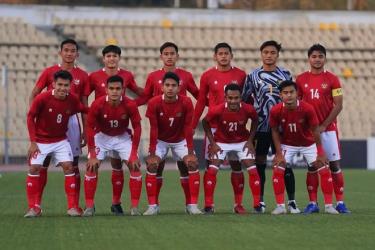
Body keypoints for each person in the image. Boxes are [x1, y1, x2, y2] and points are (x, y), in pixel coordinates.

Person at [135, 42, 200, 209]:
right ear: (161, 56)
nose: (169, 56)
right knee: (157, 165)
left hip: (180, 127)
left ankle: (190, 205)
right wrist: (128, 105)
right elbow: (145, 97)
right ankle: (153, 205)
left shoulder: (186, 76)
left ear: (177, 56)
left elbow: (199, 96)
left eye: (172, 53)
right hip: (160, 127)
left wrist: (214, 104)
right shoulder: (152, 76)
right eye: (166, 53)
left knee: (186, 166)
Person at [28, 38, 90, 209]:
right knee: (42, 164)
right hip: (48, 119)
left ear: (77, 54)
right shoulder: (49, 72)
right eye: (66, 50)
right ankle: (35, 205)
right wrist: (36, 115)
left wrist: (86, 131)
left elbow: (84, 105)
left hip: (71, 121)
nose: (69, 54)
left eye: (72, 51)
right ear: (60, 52)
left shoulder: (83, 76)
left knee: (73, 164)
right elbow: (35, 93)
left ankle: (74, 205)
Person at [241, 40, 298, 213]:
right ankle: (261, 201)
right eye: (266, 52)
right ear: (261, 54)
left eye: (272, 52)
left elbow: (293, 99)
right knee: (260, 162)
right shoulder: (253, 76)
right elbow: (244, 99)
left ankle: (292, 202)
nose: (269, 55)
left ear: (277, 55)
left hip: (282, 127)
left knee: (284, 163)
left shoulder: (286, 74)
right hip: (261, 126)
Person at [192, 42, 248, 214]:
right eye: (220, 53)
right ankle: (209, 204)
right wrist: (193, 124)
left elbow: (245, 101)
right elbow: (201, 101)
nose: (223, 56)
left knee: (236, 165)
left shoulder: (241, 75)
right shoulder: (207, 75)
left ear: (231, 55)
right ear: (215, 56)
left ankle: (238, 204)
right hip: (215, 128)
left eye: (226, 53)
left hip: (235, 128)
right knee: (211, 166)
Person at [88, 44, 144, 214]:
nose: (111, 59)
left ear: (119, 58)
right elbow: (83, 97)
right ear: (104, 58)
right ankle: (89, 206)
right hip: (101, 130)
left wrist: (134, 105)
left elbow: (140, 93)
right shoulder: (94, 78)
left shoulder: (127, 77)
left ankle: (129, 206)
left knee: (130, 165)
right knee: (92, 166)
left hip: (121, 130)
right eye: (108, 56)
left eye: (115, 56)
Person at [269, 80, 338, 215]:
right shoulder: (276, 110)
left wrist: (320, 152)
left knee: (323, 168)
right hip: (288, 144)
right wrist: (278, 153)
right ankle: (280, 206)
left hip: (308, 144)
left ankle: (329, 205)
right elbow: (275, 131)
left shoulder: (307, 108)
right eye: (285, 93)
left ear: (297, 94)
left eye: (291, 92)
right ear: (280, 95)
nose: (289, 95)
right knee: (278, 168)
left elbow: (315, 130)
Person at [296, 44, 350, 214]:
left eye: (320, 56)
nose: (317, 59)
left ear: (325, 59)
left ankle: (340, 203)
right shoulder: (301, 79)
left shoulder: (333, 79)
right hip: (309, 131)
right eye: (314, 56)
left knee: (334, 165)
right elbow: (297, 104)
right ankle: (313, 203)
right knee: (312, 166)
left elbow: (339, 104)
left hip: (328, 130)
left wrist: (324, 125)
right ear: (309, 59)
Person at [144, 72, 201, 215]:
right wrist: (152, 153)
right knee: (152, 165)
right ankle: (153, 206)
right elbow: (154, 129)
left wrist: (190, 151)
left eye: (173, 86)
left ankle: (192, 205)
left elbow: (188, 127)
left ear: (179, 87)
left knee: (192, 164)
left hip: (180, 140)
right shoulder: (154, 102)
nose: (170, 88)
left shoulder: (187, 102)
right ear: (162, 87)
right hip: (160, 141)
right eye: (167, 85)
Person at [202, 83, 261, 214]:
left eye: (236, 98)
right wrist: (213, 143)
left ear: (241, 98)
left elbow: (255, 121)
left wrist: (250, 140)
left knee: (252, 169)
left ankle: (252, 205)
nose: (233, 101)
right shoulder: (217, 109)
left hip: (242, 142)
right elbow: (205, 122)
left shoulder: (248, 109)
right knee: (212, 170)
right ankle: (208, 205)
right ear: (225, 97)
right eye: (230, 98)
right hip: (221, 142)